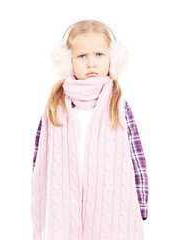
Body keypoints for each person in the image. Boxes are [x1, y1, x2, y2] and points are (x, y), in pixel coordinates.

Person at [31, 19, 148, 240]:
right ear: (69, 61)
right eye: (82, 56)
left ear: (112, 59)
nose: (91, 63)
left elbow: (135, 157)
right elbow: (39, 158)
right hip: (63, 204)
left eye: (99, 55)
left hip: (111, 205)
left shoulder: (119, 105)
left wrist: (141, 205)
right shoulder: (55, 106)